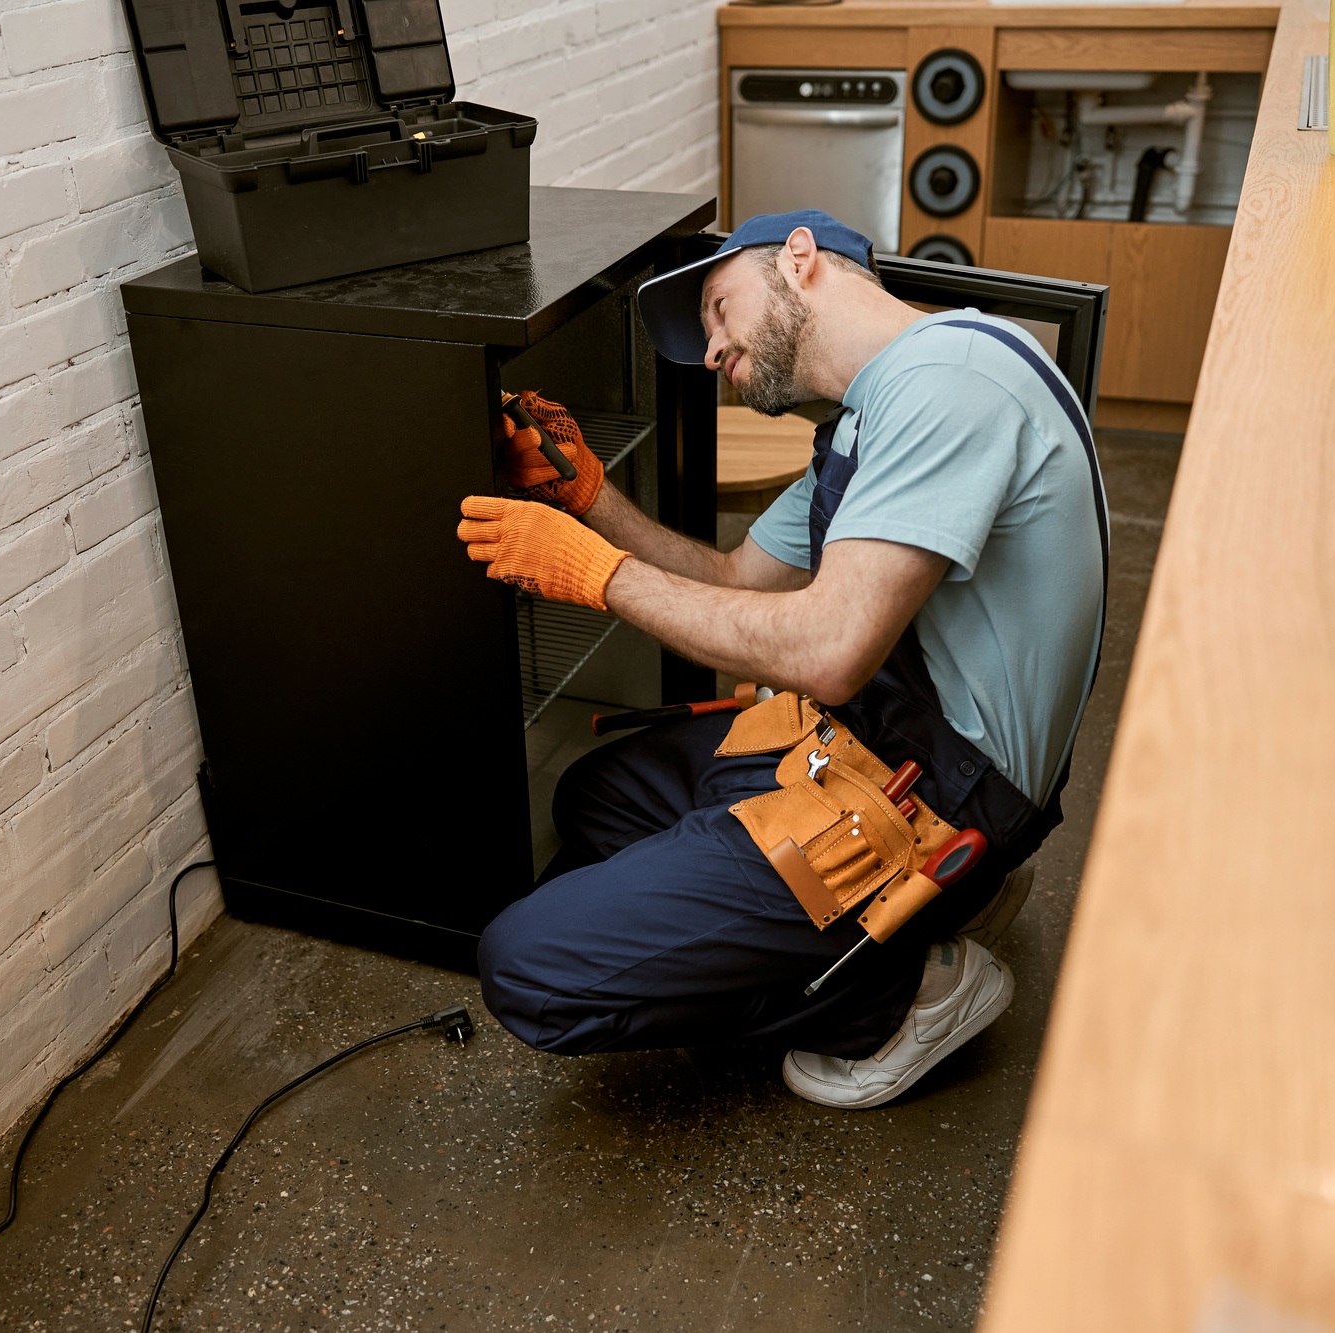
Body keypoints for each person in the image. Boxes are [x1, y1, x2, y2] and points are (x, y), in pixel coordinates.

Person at [454, 211, 1106, 1109]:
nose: (713, 350)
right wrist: (592, 498)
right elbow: (738, 580)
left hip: (932, 794)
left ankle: (903, 986)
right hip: (856, 741)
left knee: (528, 971)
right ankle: (888, 919)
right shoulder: (869, 420)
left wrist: (598, 579)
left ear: (800, 259)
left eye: (718, 310)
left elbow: (829, 653)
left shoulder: (949, 385)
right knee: (592, 795)